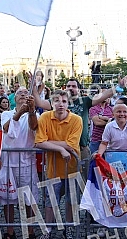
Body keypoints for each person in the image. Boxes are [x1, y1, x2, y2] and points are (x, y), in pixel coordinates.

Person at [35, 90, 83, 239]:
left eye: (64, 101)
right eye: (56, 101)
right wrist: (61, 148)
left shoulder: (76, 119)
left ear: (68, 103)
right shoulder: (44, 117)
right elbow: (38, 143)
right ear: (51, 103)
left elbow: (72, 144)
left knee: (70, 201)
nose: (60, 104)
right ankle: (47, 230)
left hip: (72, 168)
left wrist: (49, 143)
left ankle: (68, 227)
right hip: (52, 168)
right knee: (50, 201)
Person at [0, 87, 39, 239]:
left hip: (27, 162)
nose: (23, 95)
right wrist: (20, 112)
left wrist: (31, 111)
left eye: (25, 93)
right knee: (8, 198)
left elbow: (35, 127)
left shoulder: (34, 113)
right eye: (19, 93)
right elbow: (7, 129)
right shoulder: (6, 114)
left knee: (29, 198)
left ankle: (30, 231)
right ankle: (10, 231)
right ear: (14, 98)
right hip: (8, 162)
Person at [95, 103, 127, 172]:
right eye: (119, 112)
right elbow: (104, 143)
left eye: (124, 112)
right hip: (112, 157)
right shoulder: (109, 126)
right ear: (113, 114)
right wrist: (99, 155)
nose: (122, 114)